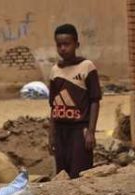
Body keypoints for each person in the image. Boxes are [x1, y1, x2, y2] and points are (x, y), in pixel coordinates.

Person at [48, 24, 101, 179]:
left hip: (79, 130)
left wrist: (90, 131)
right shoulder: (55, 71)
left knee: (79, 173)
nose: (63, 48)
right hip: (60, 130)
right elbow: (53, 106)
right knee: (62, 175)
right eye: (59, 45)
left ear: (76, 44)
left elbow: (95, 101)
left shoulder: (87, 67)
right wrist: (51, 134)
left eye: (67, 44)